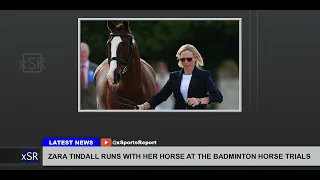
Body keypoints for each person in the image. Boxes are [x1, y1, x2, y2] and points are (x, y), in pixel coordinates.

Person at [137, 44, 223, 110]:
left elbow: (218, 96)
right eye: (182, 59)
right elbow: (161, 96)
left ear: (195, 59)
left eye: (189, 59)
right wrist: (144, 106)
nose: (186, 62)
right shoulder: (174, 77)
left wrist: (199, 100)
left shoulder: (204, 75)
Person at [80, 42, 98, 109]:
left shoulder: (96, 69)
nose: (82, 54)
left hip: (92, 106)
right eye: (80, 52)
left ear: (88, 53)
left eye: (84, 52)